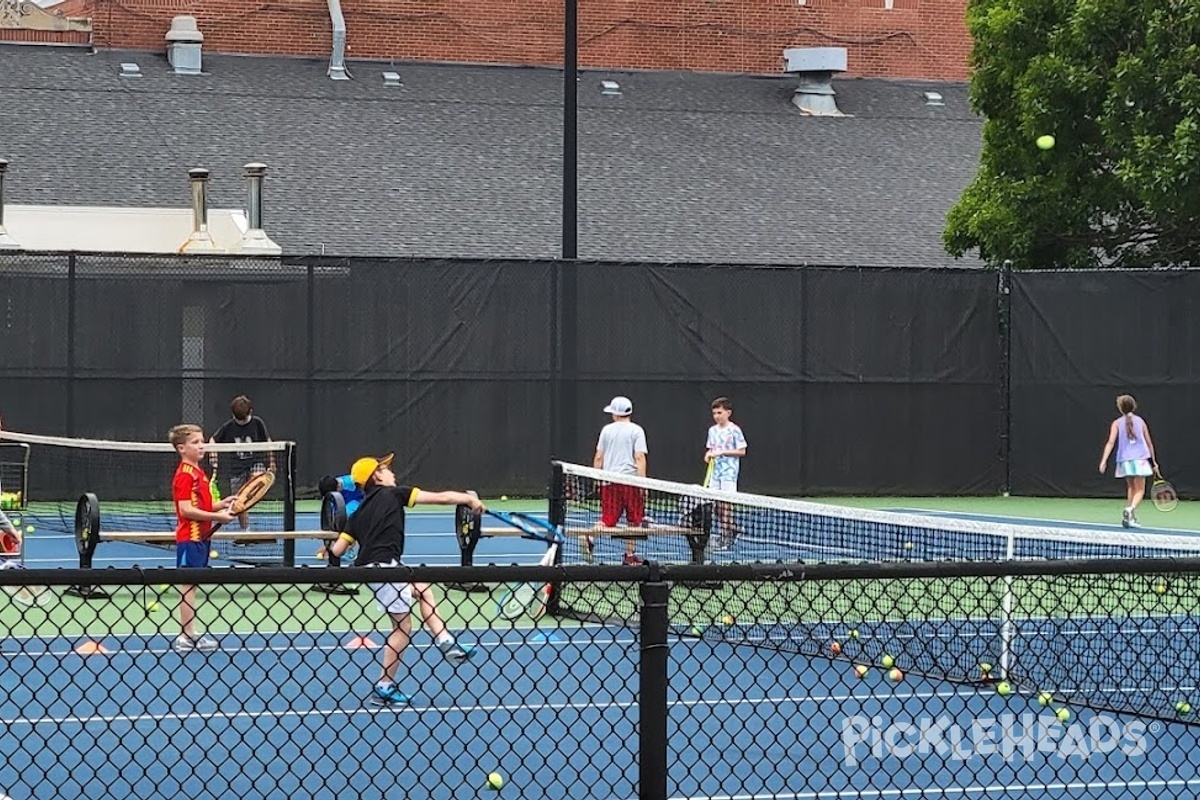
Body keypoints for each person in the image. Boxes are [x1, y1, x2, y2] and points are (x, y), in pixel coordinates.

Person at [325, 453, 484, 707]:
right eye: (386, 469)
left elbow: (337, 551)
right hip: (385, 568)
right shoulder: (395, 493)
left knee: (423, 589)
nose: (392, 473)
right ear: (376, 476)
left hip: (377, 570)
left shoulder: (358, 513)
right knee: (402, 628)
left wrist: (330, 544)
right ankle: (384, 686)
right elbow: (441, 498)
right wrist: (469, 498)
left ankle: (445, 641)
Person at [170, 424, 238, 652]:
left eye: (202, 441)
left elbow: (204, 505)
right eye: (195, 443)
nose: (202, 446)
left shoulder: (199, 472)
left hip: (203, 538)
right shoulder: (184, 475)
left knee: (193, 584)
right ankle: (186, 635)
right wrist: (217, 516)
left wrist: (222, 504)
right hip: (190, 537)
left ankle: (190, 632)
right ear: (182, 448)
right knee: (188, 585)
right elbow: (186, 509)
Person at [592, 396, 648, 565]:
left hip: (609, 481)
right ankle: (629, 556)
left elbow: (598, 457)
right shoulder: (637, 430)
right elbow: (639, 457)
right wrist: (643, 483)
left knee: (607, 520)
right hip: (630, 482)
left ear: (615, 413)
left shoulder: (606, 430)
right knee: (634, 520)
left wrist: (597, 478)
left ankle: (589, 535)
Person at [209, 395, 274, 536]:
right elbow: (213, 439)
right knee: (239, 503)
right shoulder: (228, 426)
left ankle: (252, 492)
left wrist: (272, 461)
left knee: (256, 476)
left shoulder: (257, 423)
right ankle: (245, 531)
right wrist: (213, 453)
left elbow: (268, 441)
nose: (242, 422)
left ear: (250, 412)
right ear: (233, 415)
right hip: (237, 468)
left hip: (256, 463)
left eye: (244, 419)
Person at [1098, 394, 1158, 528]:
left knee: (1131, 488)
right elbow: (1149, 443)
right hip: (1140, 460)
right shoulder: (1141, 421)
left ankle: (1131, 517)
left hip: (1124, 461)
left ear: (1120, 408)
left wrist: (1104, 461)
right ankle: (1130, 509)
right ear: (1134, 406)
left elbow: (1110, 442)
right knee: (1140, 490)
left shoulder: (1116, 423)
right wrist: (1154, 462)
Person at [704, 396, 748, 549]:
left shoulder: (734, 430)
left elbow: (742, 451)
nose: (717, 416)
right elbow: (711, 448)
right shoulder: (712, 430)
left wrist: (723, 452)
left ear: (728, 413)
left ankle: (725, 534)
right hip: (714, 473)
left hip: (729, 472)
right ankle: (732, 528)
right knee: (715, 505)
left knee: (725, 504)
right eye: (715, 413)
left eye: (720, 413)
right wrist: (708, 455)